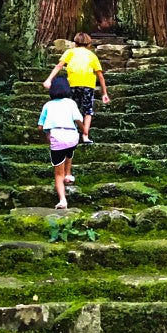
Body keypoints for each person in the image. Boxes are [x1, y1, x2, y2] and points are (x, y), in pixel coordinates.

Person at [43, 32, 110, 144]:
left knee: (72, 109)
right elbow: (100, 76)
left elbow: (59, 66)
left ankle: (72, 133)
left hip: (73, 85)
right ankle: (85, 135)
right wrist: (104, 93)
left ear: (75, 43)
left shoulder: (70, 52)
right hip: (88, 85)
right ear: (89, 44)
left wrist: (49, 79)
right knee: (88, 111)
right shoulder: (92, 56)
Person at [37, 75, 84, 209]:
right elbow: (78, 119)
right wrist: (85, 131)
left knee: (58, 173)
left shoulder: (47, 105)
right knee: (69, 151)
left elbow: (40, 126)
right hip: (72, 136)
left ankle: (63, 200)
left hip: (57, 138)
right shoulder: (71, 103)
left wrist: (46, 129)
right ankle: (68, 175)